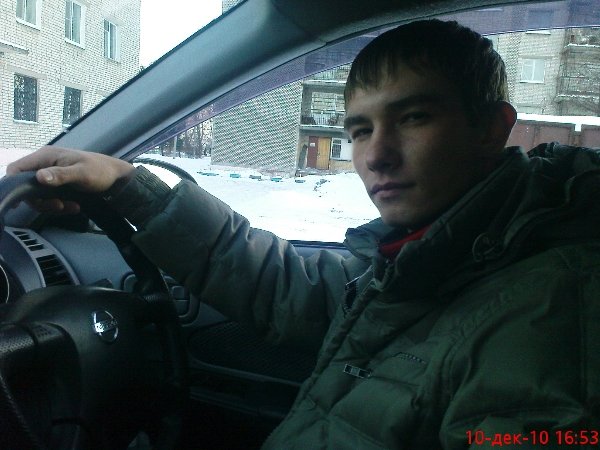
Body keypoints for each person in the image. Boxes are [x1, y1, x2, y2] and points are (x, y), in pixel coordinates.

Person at [7, 19, 600, 449]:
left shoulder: (554, 311)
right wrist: (129, 187)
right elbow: (287, 286)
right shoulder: (426, 258)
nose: (377, 155)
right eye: (360, 130)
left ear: (491, 128)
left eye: (414, 117)